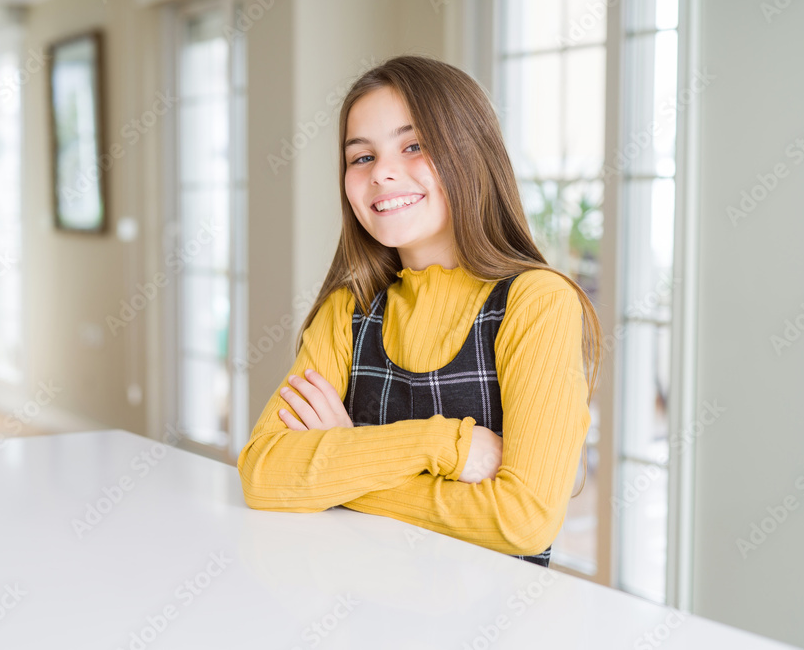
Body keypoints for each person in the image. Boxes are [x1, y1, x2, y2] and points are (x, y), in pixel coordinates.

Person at [237, 54, 602, 567]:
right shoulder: (347, 309)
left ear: (471, 154)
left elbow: (520, 522)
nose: (383, 173)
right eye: (361, 157)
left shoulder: (537, 303)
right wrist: (446, 445)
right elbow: (263, 471)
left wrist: (345, 458)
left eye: (413, 146)